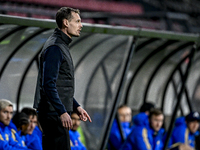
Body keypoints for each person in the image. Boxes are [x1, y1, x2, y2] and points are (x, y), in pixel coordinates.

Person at [33, 7, 92, 150]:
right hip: (53, 114)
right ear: (66, 23)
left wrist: (76, 106)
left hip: (55, 112)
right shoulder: (55, 47)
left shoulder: (60, 45)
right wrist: (62, 111)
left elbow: (59, 85)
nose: (81, 25)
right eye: (77, 21)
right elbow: (48, 84)